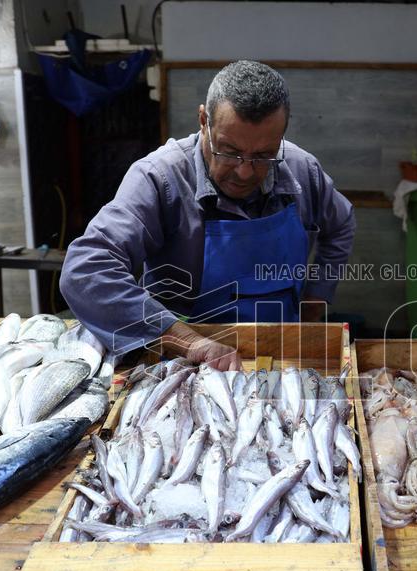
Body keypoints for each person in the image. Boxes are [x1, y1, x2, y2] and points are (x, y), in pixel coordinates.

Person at [60, 60, 356, 369]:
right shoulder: (160, 179)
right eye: (229, 151)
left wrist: (313, 303)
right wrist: (188, 341)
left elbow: (342, 223)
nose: (244, 171)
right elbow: (85, 270)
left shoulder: (301, 170)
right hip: (181, 363)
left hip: (283, 354)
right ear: (204, 121)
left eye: (262, 155)